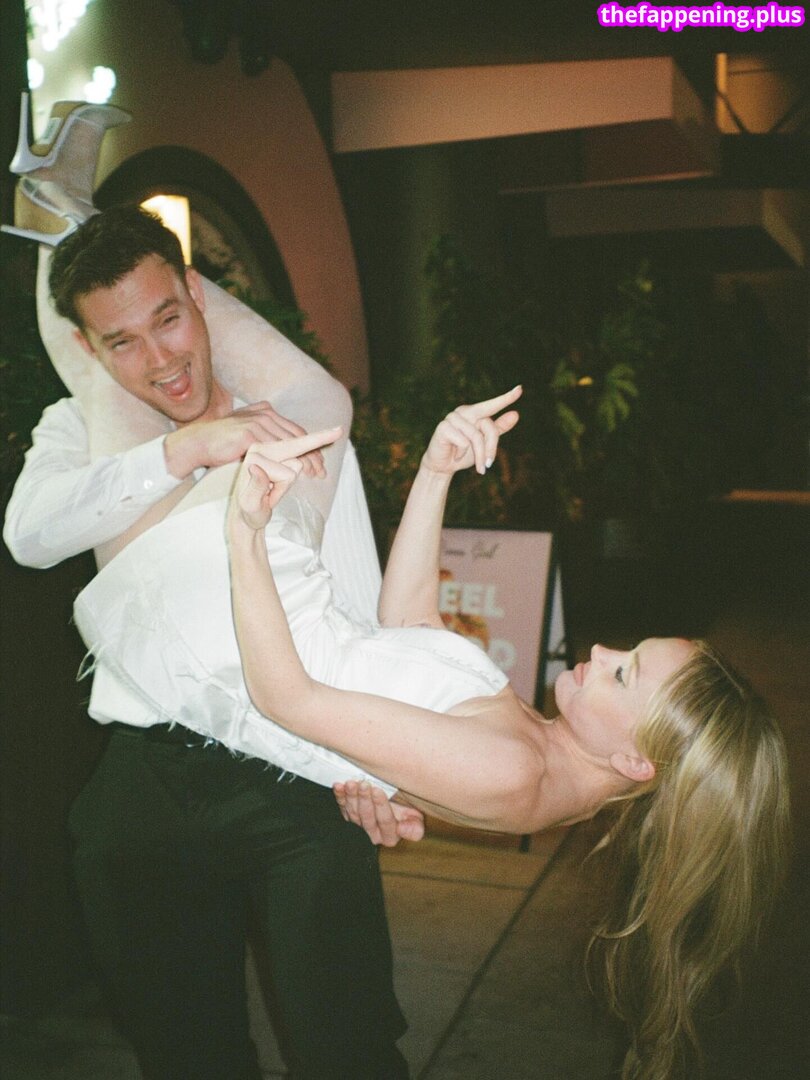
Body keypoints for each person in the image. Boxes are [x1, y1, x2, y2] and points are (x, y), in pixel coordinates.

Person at [72, 382, 791, 1080]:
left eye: (624, 675)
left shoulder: (517, 773)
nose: (602, 652)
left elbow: (289, 698)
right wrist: (436, 470)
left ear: (636, 761)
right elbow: (409, 626)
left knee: (245, 395)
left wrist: (246, 535)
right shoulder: (543, 750)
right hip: (266, 630)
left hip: (244, 643)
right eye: (627, 651)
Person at [3, 97, 408, 1080]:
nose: (161, 360)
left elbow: (353, 592)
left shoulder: (293, 419)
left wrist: (377, 756)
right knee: (186, 1056)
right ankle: (55, 206)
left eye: (169, 319)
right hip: (145, 781)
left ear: (199, 298)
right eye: (121, 343)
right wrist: (182, 451)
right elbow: (29, 537)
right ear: (90, 351)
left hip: (296, 769)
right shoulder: (81, 432)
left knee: (349, 1048)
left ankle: (56, 203)